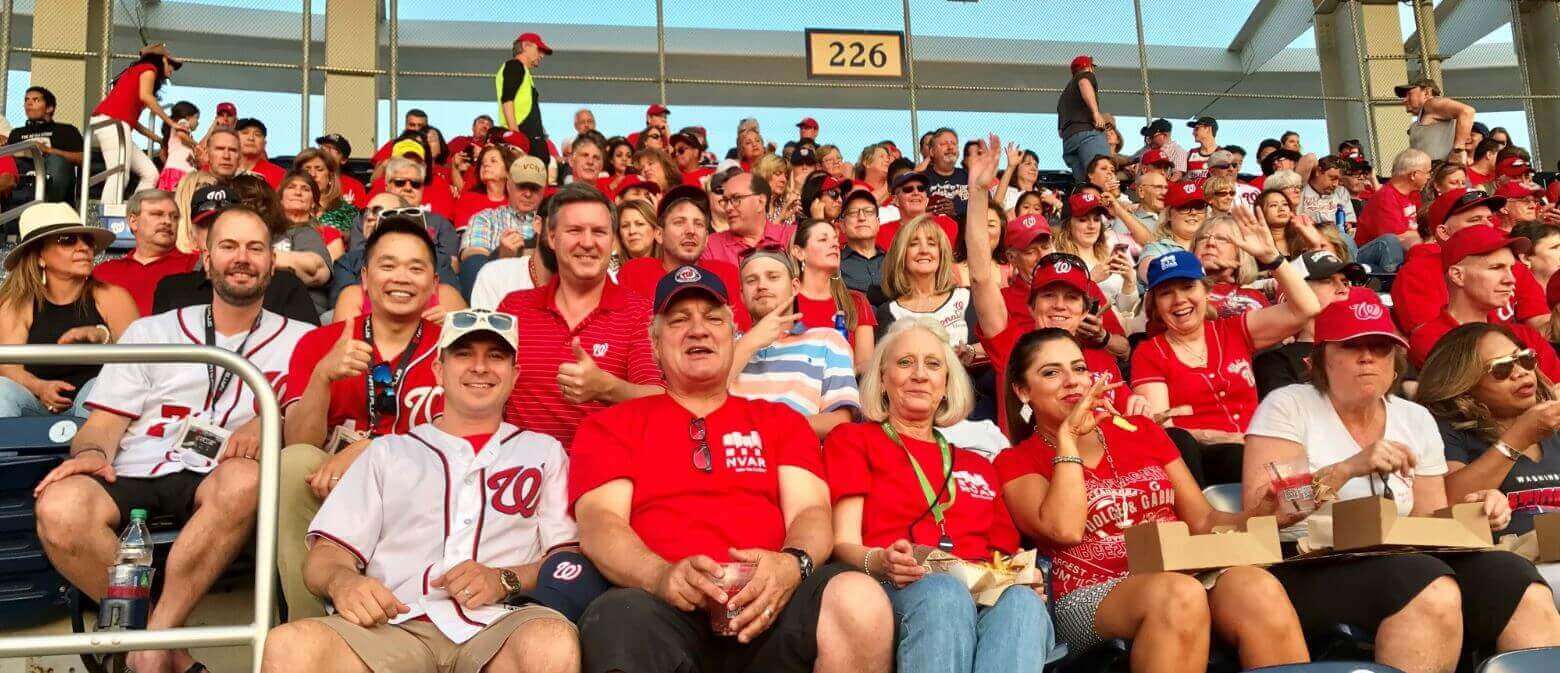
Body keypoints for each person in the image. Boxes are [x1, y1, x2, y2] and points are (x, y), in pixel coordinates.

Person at [569, 264, 894, 673]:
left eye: (713, 318)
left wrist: (791, 565)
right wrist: (661, 576)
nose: (699, 330)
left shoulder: (781, 422)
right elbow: (600, 525)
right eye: (679, 320)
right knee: (616, 619)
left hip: (773, 602)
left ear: (733, 335)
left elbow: (811, 513)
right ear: (654, 344)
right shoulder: (612, 425)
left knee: (858, 599)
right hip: (661, 609)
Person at [32, 205, 311, 673]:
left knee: (245, 479)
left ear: (271, 262)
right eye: (228, 246)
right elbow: (103, 424)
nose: (241, 258)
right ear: (206, 260)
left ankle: (148, 644)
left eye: (255, 248)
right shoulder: (151, 330)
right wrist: (91, 454)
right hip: (136, 460)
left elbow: (308, 420)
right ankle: (165, 649)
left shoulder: (303, 340)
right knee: (58, 507)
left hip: (221, 472)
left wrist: (271, 420)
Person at [1244, 295, 1560, 672]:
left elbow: (1429, 518)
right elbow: (1262, 514)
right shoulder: (1289, 406)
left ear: (1396, 362)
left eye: (1379, 347)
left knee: (1510, 574)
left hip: (1400, 555)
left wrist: (1479, 506)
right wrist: (1345, 469)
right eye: (1351, 346)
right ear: (1322, 358)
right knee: (1426, 582)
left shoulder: (1414, 417)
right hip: (1306, 560)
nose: (1367, 358)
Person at [261, 309, 581, 673]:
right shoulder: (388, 452)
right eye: (463, 354)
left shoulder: (543, 452)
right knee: (290, 646)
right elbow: (326, 554)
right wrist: (343, 581)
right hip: (394, 625)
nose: (480, 367)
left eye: (496, 356)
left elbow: (566, 560)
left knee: (550, 641)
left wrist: (504, 578)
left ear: (514, 374)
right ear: (438, 371)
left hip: (500, 625)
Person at [997, 329, 1308, 672]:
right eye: (1051, 373)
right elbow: (1065, 529)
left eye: (1080, 369)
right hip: (1090, 595)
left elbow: (1203, 520)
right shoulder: (1016, 461)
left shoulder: (1142, 432)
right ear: (1023, 391)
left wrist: (1263, 514)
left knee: (1256, 587)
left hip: (1182, 572)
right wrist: (1068, 439)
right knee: (1178, 595)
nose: (1073, 382)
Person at [827, 317, 1057, 673]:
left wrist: (1023, 577)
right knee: (942, 593)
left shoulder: (978, 464)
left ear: (947, 385)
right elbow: (843, 542)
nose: (920, 374)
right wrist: (882, 561)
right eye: (905, 363)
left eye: (933, 365)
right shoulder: (853, 440)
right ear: (883, 379)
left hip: (978, 589)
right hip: (901, 585)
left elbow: (1003, 556)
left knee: (1023, 603)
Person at [276, 218, 448, 619]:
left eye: (415, 268)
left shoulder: (454, 346)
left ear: (434, 284)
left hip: (421, 484)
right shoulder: (321, 341)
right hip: (329, 481)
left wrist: (372, 450)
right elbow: (298, 441)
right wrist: (323, 375)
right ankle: (310, 627)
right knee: (293, 463)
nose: (401, 278)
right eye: (387, 266)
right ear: (366, 279)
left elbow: (462, 436)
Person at [1131, 214, 1322, 486]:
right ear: (1155, 305)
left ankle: (1294, 521)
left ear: (1205, 291)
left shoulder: (1233, 330)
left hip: (1258, 453)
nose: (1179, 300)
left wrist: (1273, 259)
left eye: (1187, 287)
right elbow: (1165, 429)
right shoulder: (1150, 353)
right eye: (1165, 293)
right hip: (1206, 462)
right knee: (1225, 453)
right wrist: (1224, 437)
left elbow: (1307, 308)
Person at [497, 183, 662, 449]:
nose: (587, 243)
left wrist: (607, 388)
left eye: (599, 232)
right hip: (522, 477)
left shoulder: (640, 312)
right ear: (551, 238)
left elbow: (659, 399)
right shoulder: (514, 307)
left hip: (605, 477)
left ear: (613, 241)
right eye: (574, 231)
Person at [0, 204, 137, 418]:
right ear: (40, 257)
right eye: (68, 240)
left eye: (87, 240)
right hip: (35, 405)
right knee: (2, 391)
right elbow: (9, 368)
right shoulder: (17, 303)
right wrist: (39, 387)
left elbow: (140, 362)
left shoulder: (113, 297)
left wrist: (103, 337)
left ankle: (90, 450)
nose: (83, 247)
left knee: (97, 389)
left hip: (97, 407)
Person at [729, 250, 859, 438]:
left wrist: (768, 429)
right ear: (742, 294)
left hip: (798, 456)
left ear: (795, 286)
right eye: (751, 280)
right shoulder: (726, 347)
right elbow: (702, 402)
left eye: (773, 277)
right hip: (734, 458)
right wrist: (750, 343)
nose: (762, 286)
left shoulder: (827, 341)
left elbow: (840, 420)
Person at [153, 185, 321, 325]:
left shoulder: (285, 286)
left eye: (226, 223)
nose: (217, 232)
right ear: (193, 234)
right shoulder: (172, 290)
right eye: (207, 225)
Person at [1407, 225, 1560, 378]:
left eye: (1511, 269)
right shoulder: (1431, 339)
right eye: (1496, 268)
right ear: (1458, 276)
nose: (1511, 279)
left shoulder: (1525, 335)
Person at [1394, 190, 1551, 338]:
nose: (1488, 225)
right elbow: (1430, 343)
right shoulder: (1416, 273)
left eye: (1489, 219)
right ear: (1443, 232)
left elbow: (1539, 322)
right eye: (1475, 220)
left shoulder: (1512, 266)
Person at [615, 185, 748, 326]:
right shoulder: (635, 273)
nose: (691, 231)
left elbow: (739, 332)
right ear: (659, 235)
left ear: (707, 238)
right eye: (679, 222)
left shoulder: (726, 273)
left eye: (698, 224)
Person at [1252, 253, 1365, 397]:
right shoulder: (1275, 362)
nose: (1343, 288)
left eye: (1345, 282)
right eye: (1327, 280)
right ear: (1296, 292)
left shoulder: (1369, 349)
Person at [90, 44, 183, 204]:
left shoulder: (135, 73)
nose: (171, 72)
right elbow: (146, 97)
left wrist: (158, 139)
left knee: (150, 174)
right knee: (119, 172)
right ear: (162, 60)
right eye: (171, 65)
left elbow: (133, 122)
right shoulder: (148, 68)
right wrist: (171, 123)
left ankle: (133, 210)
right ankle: (107, 215)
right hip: (111, 123)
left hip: (115, 124)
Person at [874, 215, 977, 356]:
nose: (924, 250)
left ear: (941, 254)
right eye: (914, 244)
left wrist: (971, 351)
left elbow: (996, 346)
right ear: (901, 255)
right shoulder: (889, 312)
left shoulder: (967, 297)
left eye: (931, 244)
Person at [92, 190, 201, 316]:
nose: (168, 221)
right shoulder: (104, 272)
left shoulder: (195, 265)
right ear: (133, 222)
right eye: (157, 214)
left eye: (174, 217)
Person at [792, 217, 877, 368]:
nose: (834, 245)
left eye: (835, 240)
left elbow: (865, 369)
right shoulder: (786, 301)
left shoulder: (855, 301)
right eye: (823, 239)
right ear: (799, 252)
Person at [458, 156, 545, 296]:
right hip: (497, 293)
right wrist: (500, 256)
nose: (528, 194)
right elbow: (472, 258)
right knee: (473, 262)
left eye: (534, 188)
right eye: (521, 186)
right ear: (509, 185)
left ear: (543, 190)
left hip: (542, 293)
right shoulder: (486, 218)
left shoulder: (551, 221)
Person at [702, 173, 795, 267]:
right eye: (725, 201)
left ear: (760, 202)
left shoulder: (791, 236)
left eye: (736, 198)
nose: (728, 207)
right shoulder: (711, 246)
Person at [15, 86, 84, 202]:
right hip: (24, 178)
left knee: (57, 160)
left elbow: (83, 159)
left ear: (49, 108)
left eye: (36, 100)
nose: (29, 103)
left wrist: (48, 150)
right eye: (26, 100)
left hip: (53, 179)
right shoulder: (16, 133)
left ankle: (48, 207)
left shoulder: (66, 130)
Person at [1356, 148, 1429, 257]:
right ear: (1414, 175)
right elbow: (1399, 240)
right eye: (1427, 172)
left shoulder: (1413, 194)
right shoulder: (1385, 198)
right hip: (1374, 257)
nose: (1429, 177)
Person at [1137, 181, 1209, 282]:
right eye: (1184, 207)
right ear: (1169, 215)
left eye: (1198, 207)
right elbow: (1150, 274)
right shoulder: (1157, 249)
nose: (1193, 212)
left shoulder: (1214, 244)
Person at [500, 32, 552, 165]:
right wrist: (516, 137)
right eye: (539, 50)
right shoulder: (515, 65)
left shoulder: (521, 71)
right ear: (526, 45)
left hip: (528, 140)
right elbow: (507, 99)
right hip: (525, 139)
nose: (542, 55)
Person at [1057, 55, 1110, 181]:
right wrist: (1096, 113)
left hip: (1069, 141)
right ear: (1088, 67)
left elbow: (1060, 131)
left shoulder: (1064, 96)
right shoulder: (1084, 76)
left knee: (1084, 184)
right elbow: (1084, 83)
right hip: (1088, 134)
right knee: (1103, 177)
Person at [1397, 78, 1477, 161]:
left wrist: (1458, 150)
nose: (1404, 99)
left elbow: (1467, 112)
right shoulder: (1422, 117)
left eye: (1409, 94)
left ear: (1426, 93)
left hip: (1442, 170)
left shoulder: (1431, 104)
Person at [292, 148, 360, 237]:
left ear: (330, 177)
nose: (312, 174)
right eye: (306, 169)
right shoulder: (288, 209)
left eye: (319, 169)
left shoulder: (348, 211)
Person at [454, 144, 519, 231]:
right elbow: (464, 238)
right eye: (482, 163)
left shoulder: (518, 204)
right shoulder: (468, 200)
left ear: (508, 171)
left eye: (493, 161)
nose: (486, 164)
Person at [839, 189, 888, 304]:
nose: (861, 217)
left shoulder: (894, 261)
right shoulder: (834, 265)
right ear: (842, 225)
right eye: (853, 212)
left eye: (869, 211)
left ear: (878, 223)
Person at [924, 128, 970, 218]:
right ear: (932, 152)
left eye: (954, 144)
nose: (950, 147)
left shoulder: (971, 178)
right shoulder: (920, 179)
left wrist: (956, 211)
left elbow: (986, 208)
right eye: (943, 144)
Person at [234, 118, 285, 187]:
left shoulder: (279, 175)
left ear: (264, 143)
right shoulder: (224, 168)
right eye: (245, 133)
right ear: (233, 139)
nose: (251, 138)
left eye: (257, 134)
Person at [1181, 117, 1220, 182]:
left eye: (1196, 129)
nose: (1193, 133)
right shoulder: (1189, 154)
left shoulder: (1223, 155)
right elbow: (1182, 178)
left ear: (1208, 129)